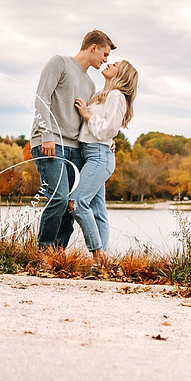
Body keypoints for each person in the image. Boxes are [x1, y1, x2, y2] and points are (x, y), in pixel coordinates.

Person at [29, 30, 113, 248]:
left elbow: (89, 118)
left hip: (75, 148)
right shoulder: (60, 63)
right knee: (58, 199)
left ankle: (57, 256)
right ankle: (44, 253)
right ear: (93, 48)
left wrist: (106, 139)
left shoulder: (90, 85)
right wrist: (47, 135)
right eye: (104, 54)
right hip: (50, 143)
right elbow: (42, 98)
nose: (106, 60)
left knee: (70, 205)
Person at [68, 59, 138, 265]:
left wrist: (87, 115)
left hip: (99, 156)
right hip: (90, 154)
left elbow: (109, 129)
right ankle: (102, 262)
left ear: (122, 74)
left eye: (114, 64)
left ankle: (98, 253)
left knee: (77, 204)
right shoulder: (101, 94)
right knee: (98, 211)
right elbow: (107, 131)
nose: (108, 64)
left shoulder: (117, 96)